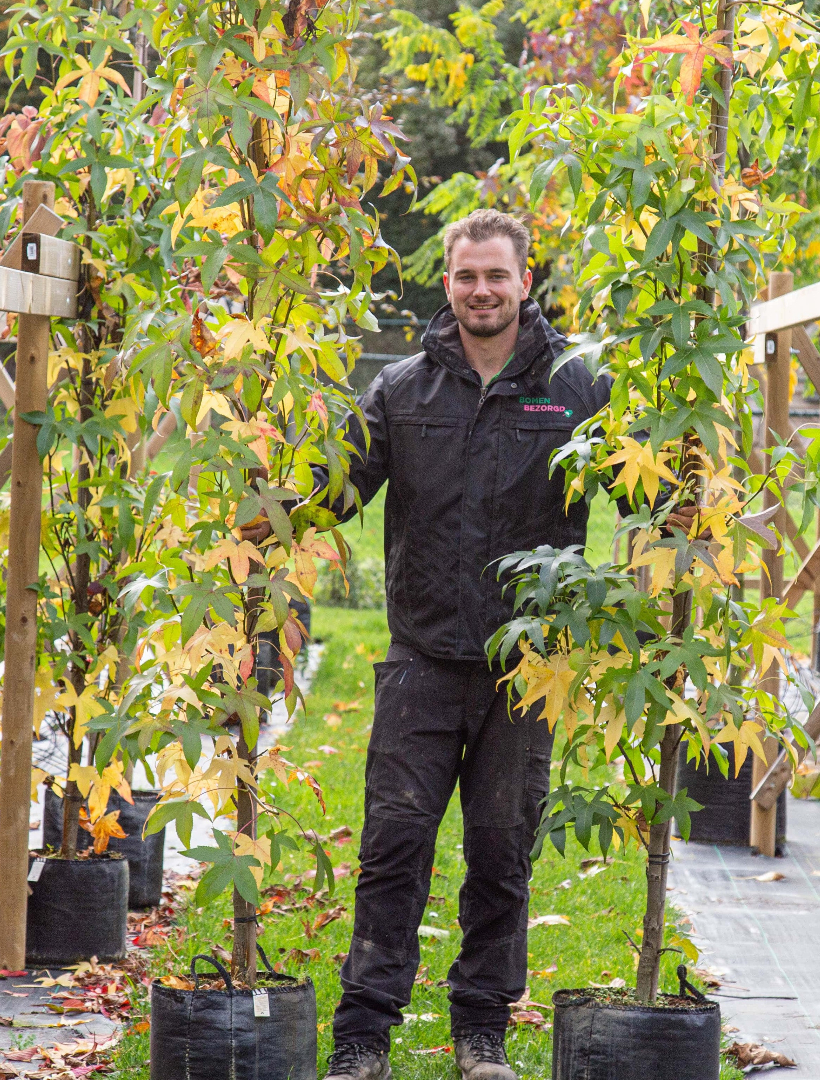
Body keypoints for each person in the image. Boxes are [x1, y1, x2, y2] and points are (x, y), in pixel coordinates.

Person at [305, 209, 604, 1080]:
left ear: (525, 280)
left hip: (528, 669)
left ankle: (482, 1031)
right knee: (394, 846)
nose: (482, 291)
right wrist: (269, 499)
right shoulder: (404, 389)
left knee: (502, 851)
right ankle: (363, 1037)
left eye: (497, 277)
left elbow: (649, 475)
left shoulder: (578, 385)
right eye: (467, 276)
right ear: (448, 284)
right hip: (422, 662)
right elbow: (336, 488)